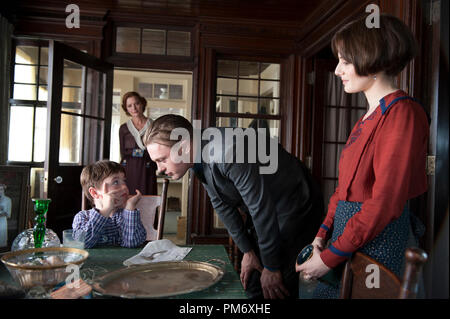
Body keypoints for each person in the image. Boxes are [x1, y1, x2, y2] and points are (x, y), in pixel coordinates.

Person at [296, 14, 429, 298]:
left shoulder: (402, 113)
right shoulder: (368, 116)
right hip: (348, 236)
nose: (336, 70)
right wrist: (322, 233)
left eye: (345, 61)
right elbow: (342, 192)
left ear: (372, 61)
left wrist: (331, 256)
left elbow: (384, 202)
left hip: (378, 242)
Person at [143, 114, 324, 299]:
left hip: (295, 204)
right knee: (253, 281)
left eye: (162, 159)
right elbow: (221, 205)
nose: (159, 169)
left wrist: (271, 267)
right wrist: (248, 251)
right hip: (265, 208)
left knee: (276, 286)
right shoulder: (196, 152)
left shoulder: (228, 151)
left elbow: (260, 207)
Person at [73, 160, 147, 249]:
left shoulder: (126, 215)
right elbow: (82, 244)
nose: (124, 187)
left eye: (124, 181)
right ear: (94, 193)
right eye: (115, 182)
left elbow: (132, 243)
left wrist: (130, 207)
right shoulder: (83, 217)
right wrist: (106, 210)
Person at [119, 91, 157, 195]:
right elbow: (123, 153)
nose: (134, 108)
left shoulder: (154, 126)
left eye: (136, 104)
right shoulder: (123, 128)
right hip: (129, 170)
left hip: (147, 168)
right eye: (129, 106)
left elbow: (158, 150)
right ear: (126, 108)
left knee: (147, 199)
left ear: (142, 104)